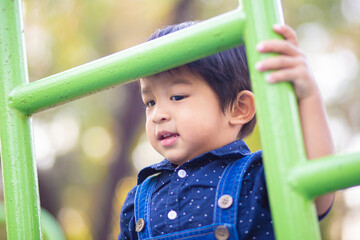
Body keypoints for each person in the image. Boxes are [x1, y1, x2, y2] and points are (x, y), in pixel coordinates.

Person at [118, 21, 334, 240]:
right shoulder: (139, 199)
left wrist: (308, 96)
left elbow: (317, 191)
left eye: (177, 97)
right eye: (150, 102)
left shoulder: (256, 176)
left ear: (239, 109)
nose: (157, 115)